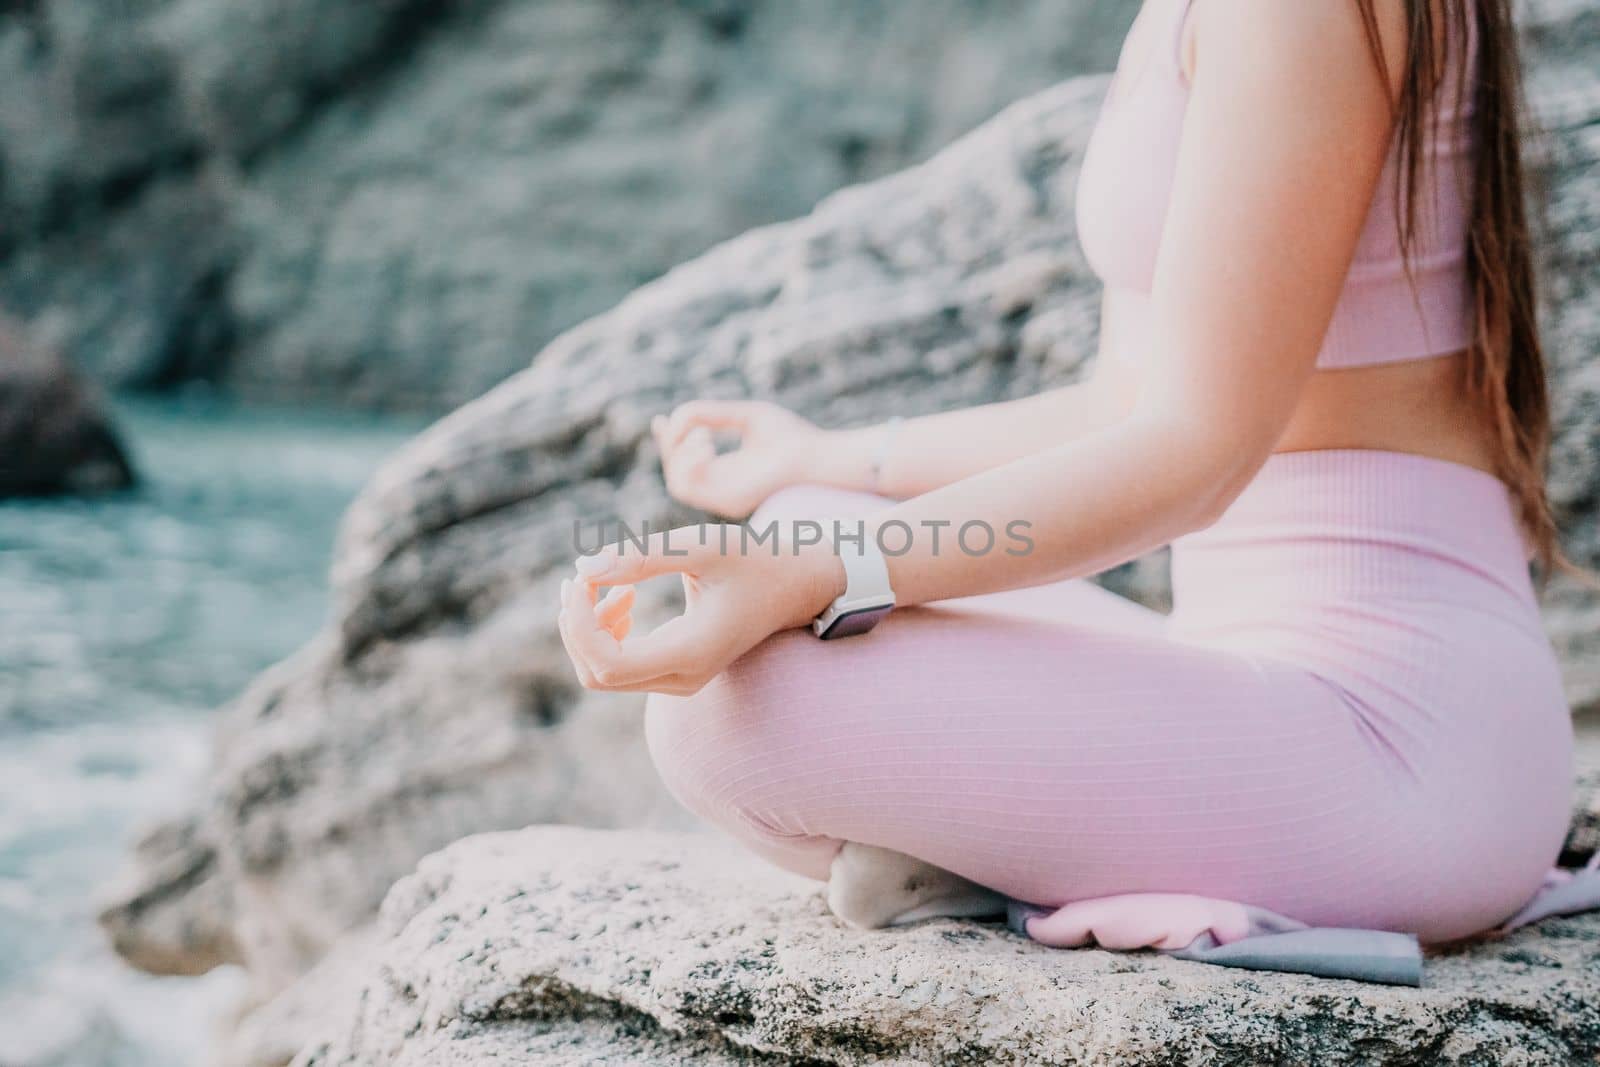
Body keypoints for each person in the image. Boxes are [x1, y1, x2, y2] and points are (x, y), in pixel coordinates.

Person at [555, 0, 1591, 973]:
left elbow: (1194, 455)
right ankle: (1023, 849)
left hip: (1404, 746)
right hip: (1249, 673)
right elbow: (1127, 406)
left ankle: (1013, 854)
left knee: (742, 707)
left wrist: (835, 573)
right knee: (799, 528)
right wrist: (825, 463)